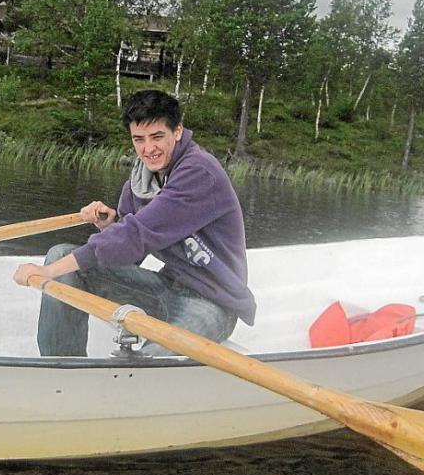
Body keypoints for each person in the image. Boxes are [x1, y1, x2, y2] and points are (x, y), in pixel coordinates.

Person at [13, 89, 256, 356]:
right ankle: (63, 368)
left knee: (146, 362)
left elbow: (137, 233)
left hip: (213, 302)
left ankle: (136, 371)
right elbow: (132, 249)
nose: (148, 149)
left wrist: (48, 272)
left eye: (157, 137)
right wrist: (111, 225)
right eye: (139, 139)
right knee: (60, 256)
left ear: (177, 131)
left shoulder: (199, 172)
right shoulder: (141, 180)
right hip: (166, 287)